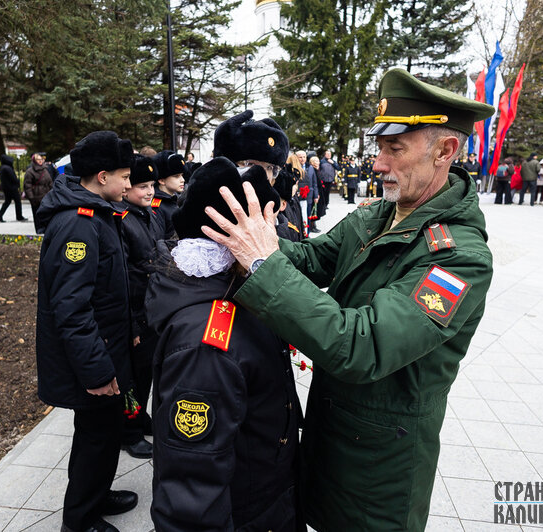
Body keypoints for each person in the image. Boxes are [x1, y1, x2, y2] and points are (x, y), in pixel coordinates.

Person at [201, 68, 495, 531]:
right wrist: (246, 236)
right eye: (379, 148)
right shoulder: (380, 214)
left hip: (380, 465)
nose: (378, 164)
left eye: (394, 149)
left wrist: (262, 263)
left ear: (445, 150)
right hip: (330, 432)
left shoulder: (459, 260)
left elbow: (363, 346)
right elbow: (310, 258)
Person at [146, 158, 302, 531]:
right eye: (268, 226)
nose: (277, 235)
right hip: (246, 509)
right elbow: (190, 491)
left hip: (263, 492)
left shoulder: (238, 291)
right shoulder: (208, 344)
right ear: (236, 239)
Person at [34, 131, 138, 532]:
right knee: (96, 435)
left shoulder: (96, 211)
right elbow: (72, 308)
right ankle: (80, 521)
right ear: (101, 176)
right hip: (92, 359)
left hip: (106, 347)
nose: (129, 185)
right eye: (124, 176)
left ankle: (96, 493)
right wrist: (96, 372)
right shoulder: (78, 225)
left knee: (102, 432)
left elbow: (107, 290)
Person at [113, 155, 165, 460]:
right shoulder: (122, 220)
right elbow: (125, 277)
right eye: (141, 186)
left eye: (151, 186)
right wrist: (132, 323)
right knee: (134, 376)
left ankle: (139, 417)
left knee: (147, 371)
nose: (149, 192)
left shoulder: (151, 214)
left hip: (152, 308)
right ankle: (129, 432)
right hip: (136, 313)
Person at [151, 150, 186, 239]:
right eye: (176, 176)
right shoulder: (157, 206)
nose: (182, 180)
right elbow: (160, 240)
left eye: (182, 175)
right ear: (162, 180)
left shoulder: (175, 199)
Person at [24, 152, 54, 233]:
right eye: (38, 160)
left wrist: (53, 192)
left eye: (41, 159)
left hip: (46, 195)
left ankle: (45, 228)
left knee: (46, 213)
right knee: (37, 214)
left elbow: (50, 182)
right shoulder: (30, 171)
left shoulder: (45, 169)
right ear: (34, 161)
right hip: (36, 197)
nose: (40, 161)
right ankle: (39, 229)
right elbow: (27, 186)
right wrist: (31, 198)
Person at [0, 154, 27, 222]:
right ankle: (19, 216)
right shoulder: (7, 168)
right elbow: (13, 178)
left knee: (7, 202)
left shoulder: (3, 167)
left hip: (7, 188)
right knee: (17, 201)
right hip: (11, 188)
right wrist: (17, 182)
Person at [306, 156, 321, 231]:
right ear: (312, 162)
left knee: (314, 210)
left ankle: (313, 226)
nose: (318, 162)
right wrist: (316, 194)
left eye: (318, 161)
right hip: (313, 193)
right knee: (312, 210)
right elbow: (314, 183)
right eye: (316, 161)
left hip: (316, 192)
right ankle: (311, 226)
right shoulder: (312, 169)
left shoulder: (317, 169)